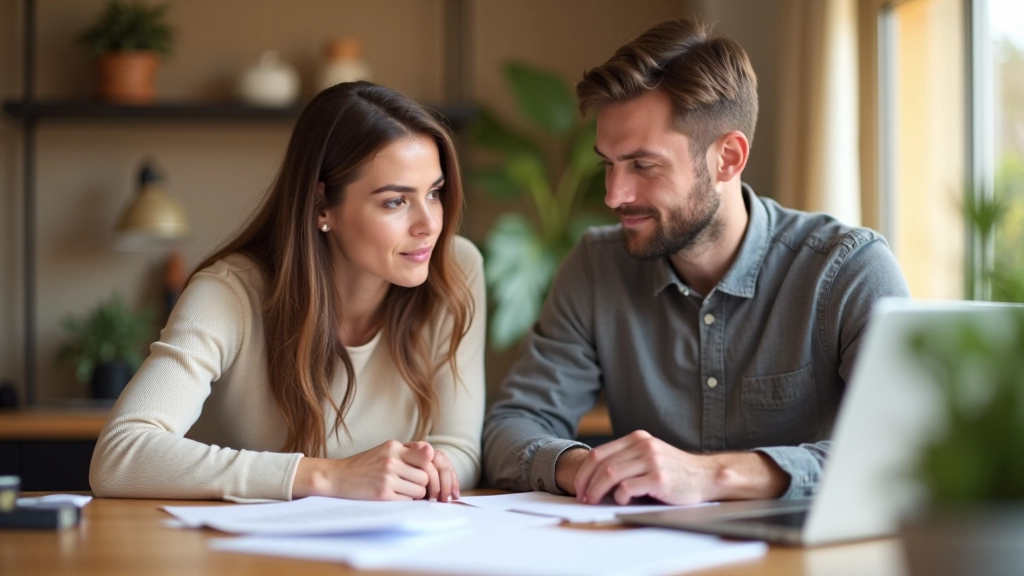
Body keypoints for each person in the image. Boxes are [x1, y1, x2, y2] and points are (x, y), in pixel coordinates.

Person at [483, 19, 910, 505]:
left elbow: (908, 448)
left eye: (643, 165)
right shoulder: (595, 268)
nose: (613, 194)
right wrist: (587, 467)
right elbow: (510, 427)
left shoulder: (847, 270)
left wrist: (716, 476)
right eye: (609, 163)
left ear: (727, 158)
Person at [90, 82, 485, 502]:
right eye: (395, 202)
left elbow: (459, 448)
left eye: (435, 193)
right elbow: (120, 455)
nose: (429, 224)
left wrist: (423, 471)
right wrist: (326, 477)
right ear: (322, 206)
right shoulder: (229, 293)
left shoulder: (455, 269)